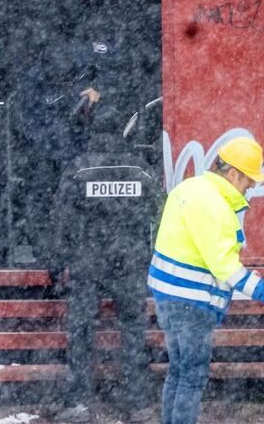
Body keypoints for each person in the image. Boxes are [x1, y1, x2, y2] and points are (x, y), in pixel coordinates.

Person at [147, 136, 264, 424]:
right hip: (191, 303)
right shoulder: (215, 206)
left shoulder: (188, 188)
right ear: (233, 173)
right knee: (192, 374)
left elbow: (196, 252)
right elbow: (224, 265)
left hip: (167, 296)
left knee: (179, 369)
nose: (251, 187)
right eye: (249, 180)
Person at [49, 108, 160, 423]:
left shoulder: (79, 169)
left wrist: (56, 264)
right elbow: (161, 211)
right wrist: (154, 254)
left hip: (88, 263)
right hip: (129, 263)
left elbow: (61, 220)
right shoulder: (140, 169)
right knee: (134, 333)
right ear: (121, 131)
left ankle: (78, 404)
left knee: (81, 332)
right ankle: (138, 405)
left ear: (92, 130)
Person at [12, 39, 114, 265]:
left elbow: (119, 62)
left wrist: (101, 89)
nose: (66, 81)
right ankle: (49, 257)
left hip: (85, 153)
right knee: (39, 201)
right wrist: (47, 146)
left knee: (88, 201)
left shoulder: (87, 55)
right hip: (49, 154)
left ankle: (82, 252)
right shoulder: (35, 82)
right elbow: (24, 120)